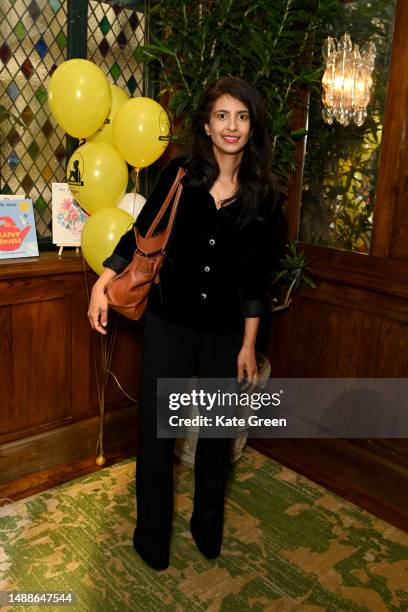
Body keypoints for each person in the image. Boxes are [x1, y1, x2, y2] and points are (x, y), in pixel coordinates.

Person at [87, 76, 282, 570]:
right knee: (156, 439)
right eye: (222, 115)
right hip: (169, 324)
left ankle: (206, 527)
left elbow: (257, 282)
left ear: (252, 126)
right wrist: (100, 284)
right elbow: (140, 235)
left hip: (223, 333)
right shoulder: (179, 176)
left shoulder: (264, 196)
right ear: (206, 123)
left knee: (216, 443)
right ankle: (151, 539)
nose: (231, 126)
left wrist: (247, 345)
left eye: (241, 116)